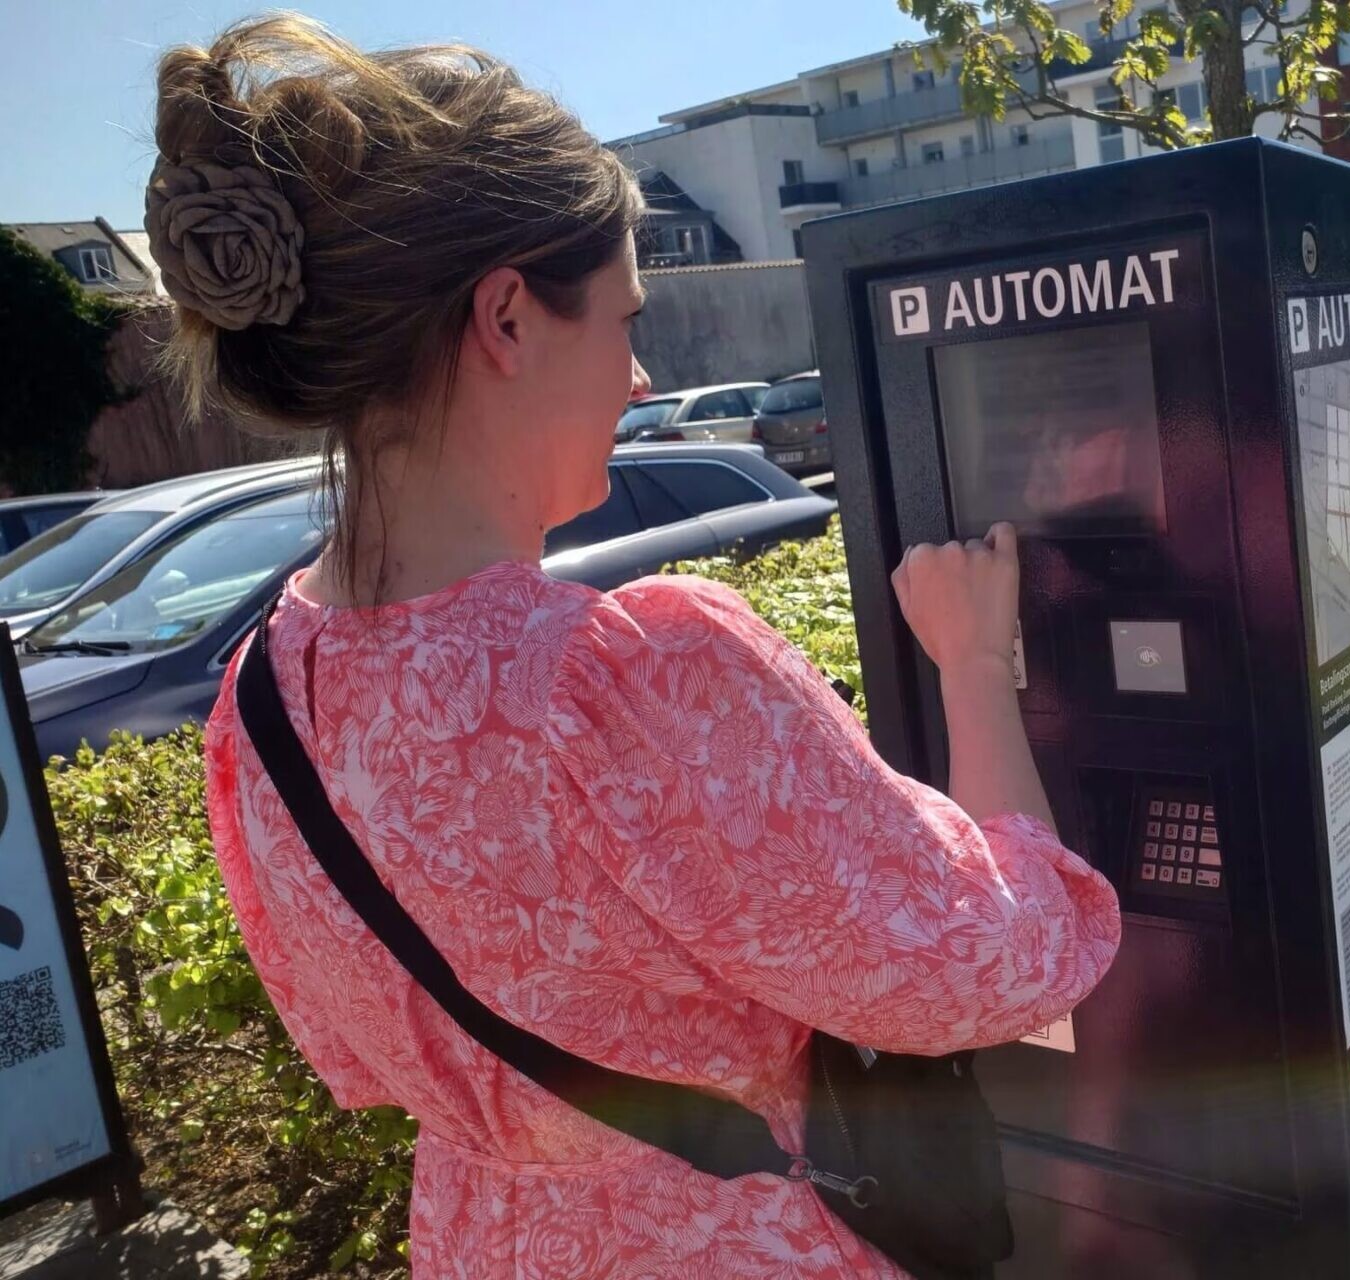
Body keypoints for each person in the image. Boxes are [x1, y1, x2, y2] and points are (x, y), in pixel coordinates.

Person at [169, 15, 1122, 1277]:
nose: (638, 377)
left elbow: (355, 1058)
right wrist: (973, 667)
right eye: (623, 318)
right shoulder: (625, 675)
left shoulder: (264, 703)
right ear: (505, 315)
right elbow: (996, 965)